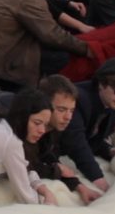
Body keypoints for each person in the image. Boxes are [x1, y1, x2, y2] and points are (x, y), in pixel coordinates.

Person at [50, 58, 115, 197]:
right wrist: (98, 178)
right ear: (102, 84)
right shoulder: (80, 98)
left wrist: (108, 150)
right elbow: (75, 141)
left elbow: (93, 138)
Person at [28, 75, 103, 205]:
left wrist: (80, 187)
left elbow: (48, 157)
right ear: (43, 104)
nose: (68, 117)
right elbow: (24, 164)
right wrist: (57, 170)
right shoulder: (22, 123)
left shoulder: (54, 128)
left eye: (72, 111)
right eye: (61, 110)